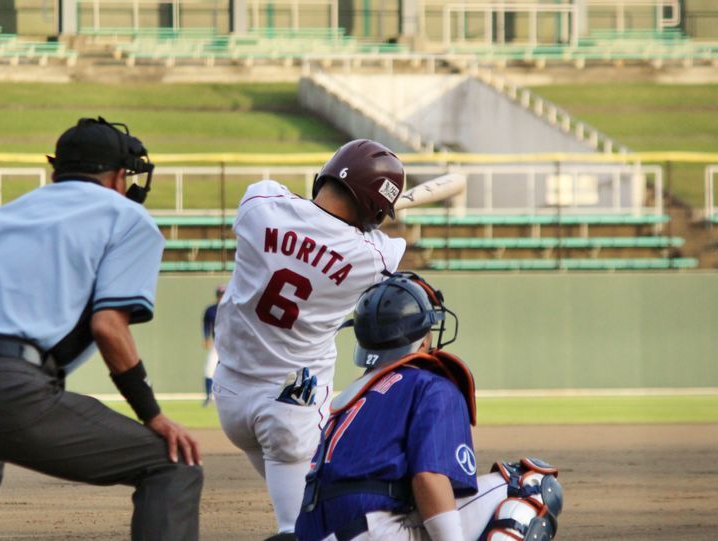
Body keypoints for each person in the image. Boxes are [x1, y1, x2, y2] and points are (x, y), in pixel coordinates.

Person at [0, 117, 203, 541]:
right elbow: (108, 327)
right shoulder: (126, 216)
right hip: (9, 391)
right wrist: (152, 415)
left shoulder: (9, 213)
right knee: (173, 465)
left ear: (56, 172)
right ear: (120, 176)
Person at [213, 139, 408, 538]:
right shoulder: (371, 257)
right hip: (291, 410)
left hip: (230, 397)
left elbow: (295, 204)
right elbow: (389, 247)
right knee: (306, 529)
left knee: (310, 517)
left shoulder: (259, 205)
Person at [294, 272, 564, 541]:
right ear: (422, 339)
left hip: (317, 532)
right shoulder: (429, 385)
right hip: (376, 533)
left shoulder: (353, 398)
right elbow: (428, 477)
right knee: (531, 485)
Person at [201, 283, 225, 406]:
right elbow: (206, 325)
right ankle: (209, 396)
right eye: (220, 295)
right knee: (209, 369)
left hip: (230, 345)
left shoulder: (233, 308)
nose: (221, 297)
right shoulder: (211, 310)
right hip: (217, 344)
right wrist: (206, 338)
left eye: (223, 294)